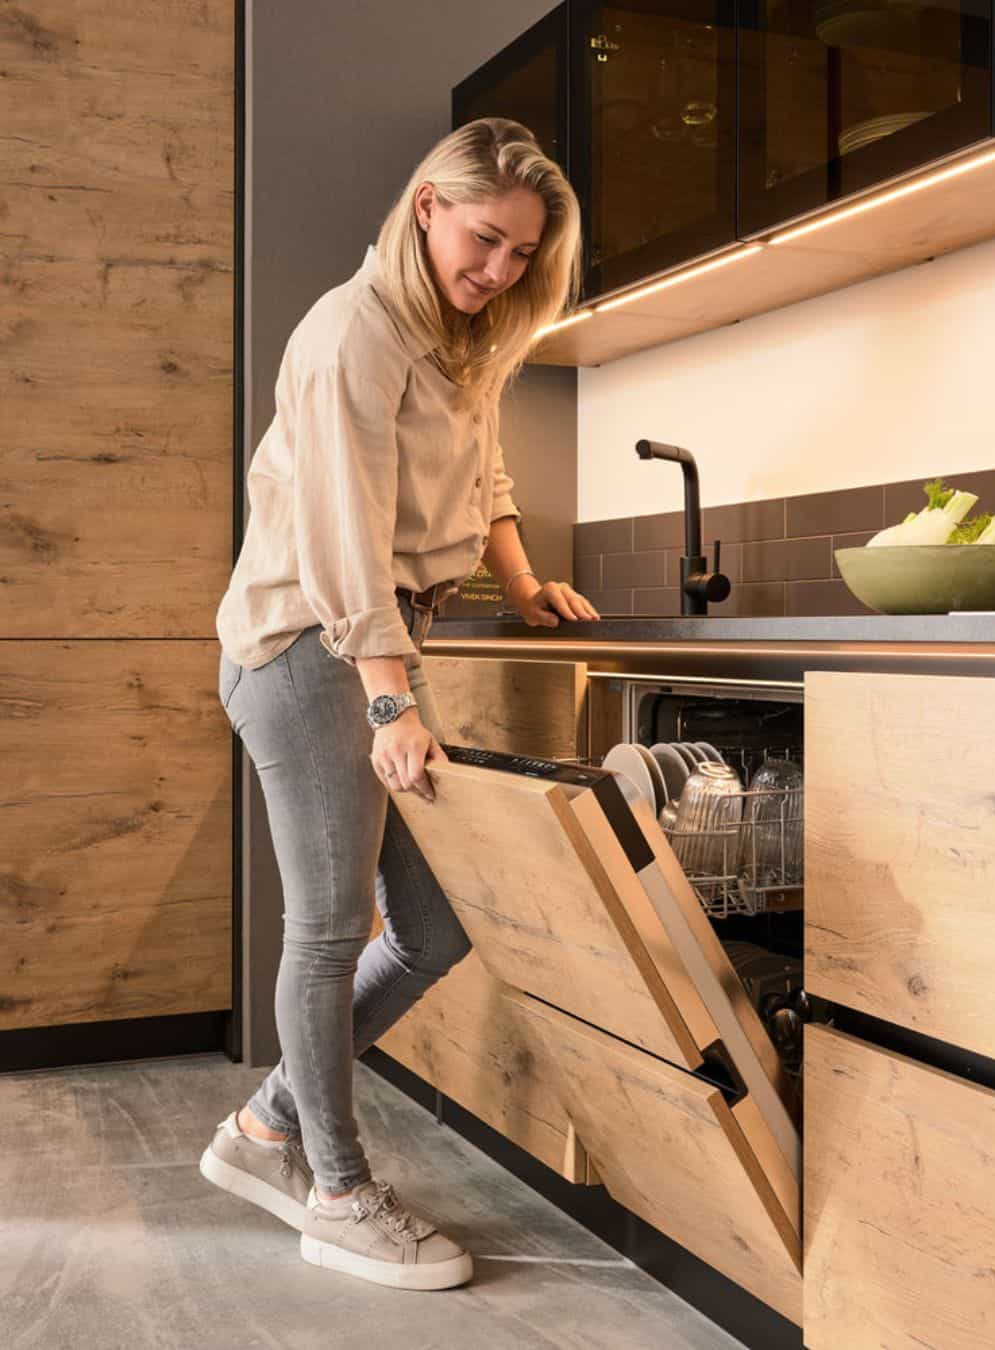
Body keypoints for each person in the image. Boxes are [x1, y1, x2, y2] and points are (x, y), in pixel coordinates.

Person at [199, 118, 600, 1291]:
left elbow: (486, 473)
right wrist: (389, 703)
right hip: (307, 649)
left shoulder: (463, 340)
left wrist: (523, 585)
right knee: (328, 931)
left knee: (437, 927)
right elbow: (339, 538)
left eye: (524, 254)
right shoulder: (350, 336)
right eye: (486, 240)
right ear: (428, 204)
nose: (501, 271)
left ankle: (268, 1130)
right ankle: (335, 1191)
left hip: (379, 648)